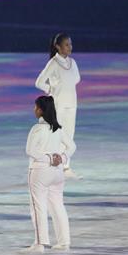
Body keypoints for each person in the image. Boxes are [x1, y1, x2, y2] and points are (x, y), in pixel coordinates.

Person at [23, 96, 76, 253]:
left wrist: (49, 158)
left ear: (40, 110)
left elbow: (30, 151)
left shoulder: (37, 129)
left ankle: (40, 243)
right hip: (57, 173)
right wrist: (62, 158)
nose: (34, 109)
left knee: (38, 206)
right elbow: (72, 146)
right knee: (58, 205)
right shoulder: (58, 129)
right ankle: (64, 241)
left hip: (40, 171)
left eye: (35, 107)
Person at [35, 33, 80, 178]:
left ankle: (66, 166)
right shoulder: (53, 63)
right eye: (66, 45)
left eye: (70, 44)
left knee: (69, 136)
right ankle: (54, 166)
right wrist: (51, 90)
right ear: (58, 47)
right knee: (57, 135)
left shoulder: (72, 63)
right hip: (58, 105)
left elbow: (76, 79)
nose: (70, 47)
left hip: (72, 104)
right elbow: (39, 82)